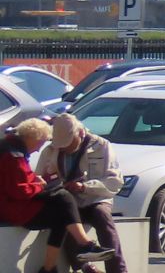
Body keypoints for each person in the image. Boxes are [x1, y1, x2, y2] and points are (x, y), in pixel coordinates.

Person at [0, 119, 113, 273]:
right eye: (40, 144)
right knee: (63, 196)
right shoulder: (14, 156)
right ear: (34, 138)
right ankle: (85, 245)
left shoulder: (9, 148)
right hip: (11, 209)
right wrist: (40, 185)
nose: (38, 150)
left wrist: (35, 180)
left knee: (61, 213)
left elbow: (16, 181)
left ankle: (50, 268)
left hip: (9, 204)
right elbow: (19, 191)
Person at [36, 116, 124, 273]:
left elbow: (114, 182)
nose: (64, 149)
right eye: (61, 146)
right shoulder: (50, 150)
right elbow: (38, 179)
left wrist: (84, 187)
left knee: (102, 217)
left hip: (96, 198)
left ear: (81, 133)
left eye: (68, 144)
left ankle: (118, 270)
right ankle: (86, 268)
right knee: (68, 227)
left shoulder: (102, 146)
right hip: (68, 202)